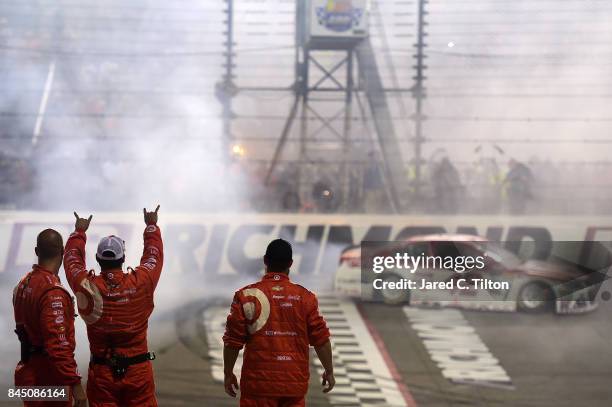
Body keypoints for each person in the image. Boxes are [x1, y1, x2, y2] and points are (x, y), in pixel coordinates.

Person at [63, 207, 163, 407]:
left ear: (98, 260)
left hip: (102, 375)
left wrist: (79, 232)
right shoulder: (141, 282)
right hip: (138, 374)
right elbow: (154, 256)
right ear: (123, 258)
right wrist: (151, 226)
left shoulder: (86, 286)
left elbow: (71, 259)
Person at [223, 239, 335, 407]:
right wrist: (329, 371)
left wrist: (228, 373)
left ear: (265, 261)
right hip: (293, 386)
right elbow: (321, 339)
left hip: (257, 387)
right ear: (290, 263)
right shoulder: (306, 298)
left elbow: (232, 341)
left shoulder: (246, 296)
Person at [13, 229, 87, 407]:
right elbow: (58, 346)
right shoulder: (53, 292)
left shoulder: (23, 284)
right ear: (62, 251)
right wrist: (76, 386)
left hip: (27, 374)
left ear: (37, 251)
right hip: (48, 377)